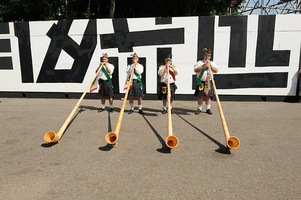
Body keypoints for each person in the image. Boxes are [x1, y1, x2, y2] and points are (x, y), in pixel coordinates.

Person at [194, 48, 218, 115]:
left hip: (208, 81)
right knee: (200, 95)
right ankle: (199, 108)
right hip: (201, 81)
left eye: (208, 56)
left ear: (210, 57)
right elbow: (196, 70)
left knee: (208, 95)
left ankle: (208, 108)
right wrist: (203, 66)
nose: (207, 57)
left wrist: (210, 65)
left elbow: (216, 70)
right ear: (204, 56)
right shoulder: (199, 62)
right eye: (206, 55)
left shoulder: (212, 63)